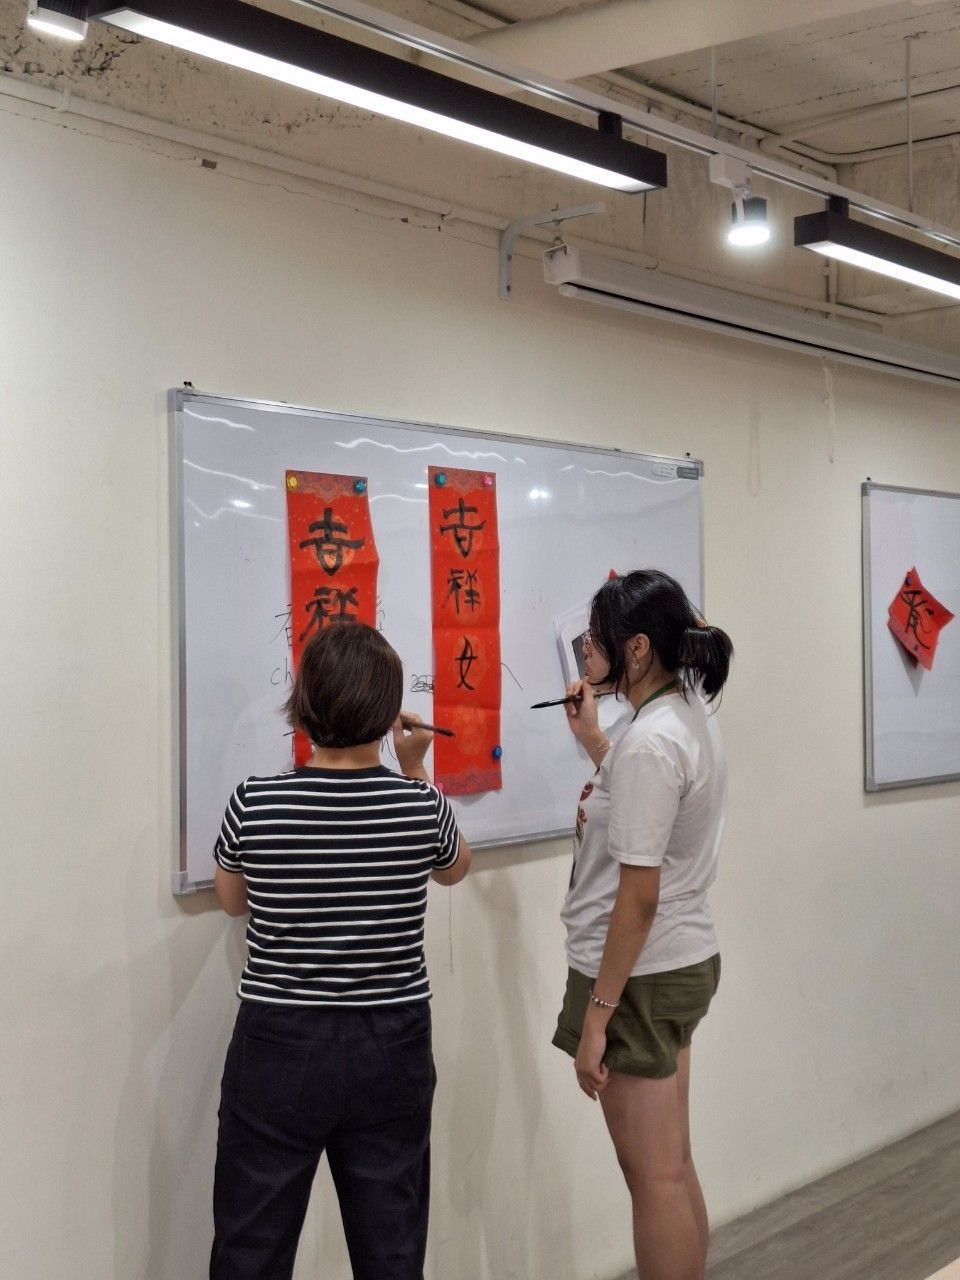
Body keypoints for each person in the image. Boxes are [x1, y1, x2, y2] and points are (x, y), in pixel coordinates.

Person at [209, 621, 471, 1280]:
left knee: (251, 1247)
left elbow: (232, 901)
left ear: (304, 707)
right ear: (386, 715)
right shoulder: (420, 809)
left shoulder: (255, 802)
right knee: (390, 1249)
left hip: (278, 1042)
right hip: (393, 1044)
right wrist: (415, 769)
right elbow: (455, 869)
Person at [552, 569, 733, 1280]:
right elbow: (647, 807)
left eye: (593, 644)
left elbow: (638, 896)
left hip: (640, 975)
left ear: (634, 649)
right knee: (672, 1165)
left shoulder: (654, 740)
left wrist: (598, 1013)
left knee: (652, 1178)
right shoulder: (678, 718)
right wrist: (598, 743)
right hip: (674, 963)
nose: (585, 658)